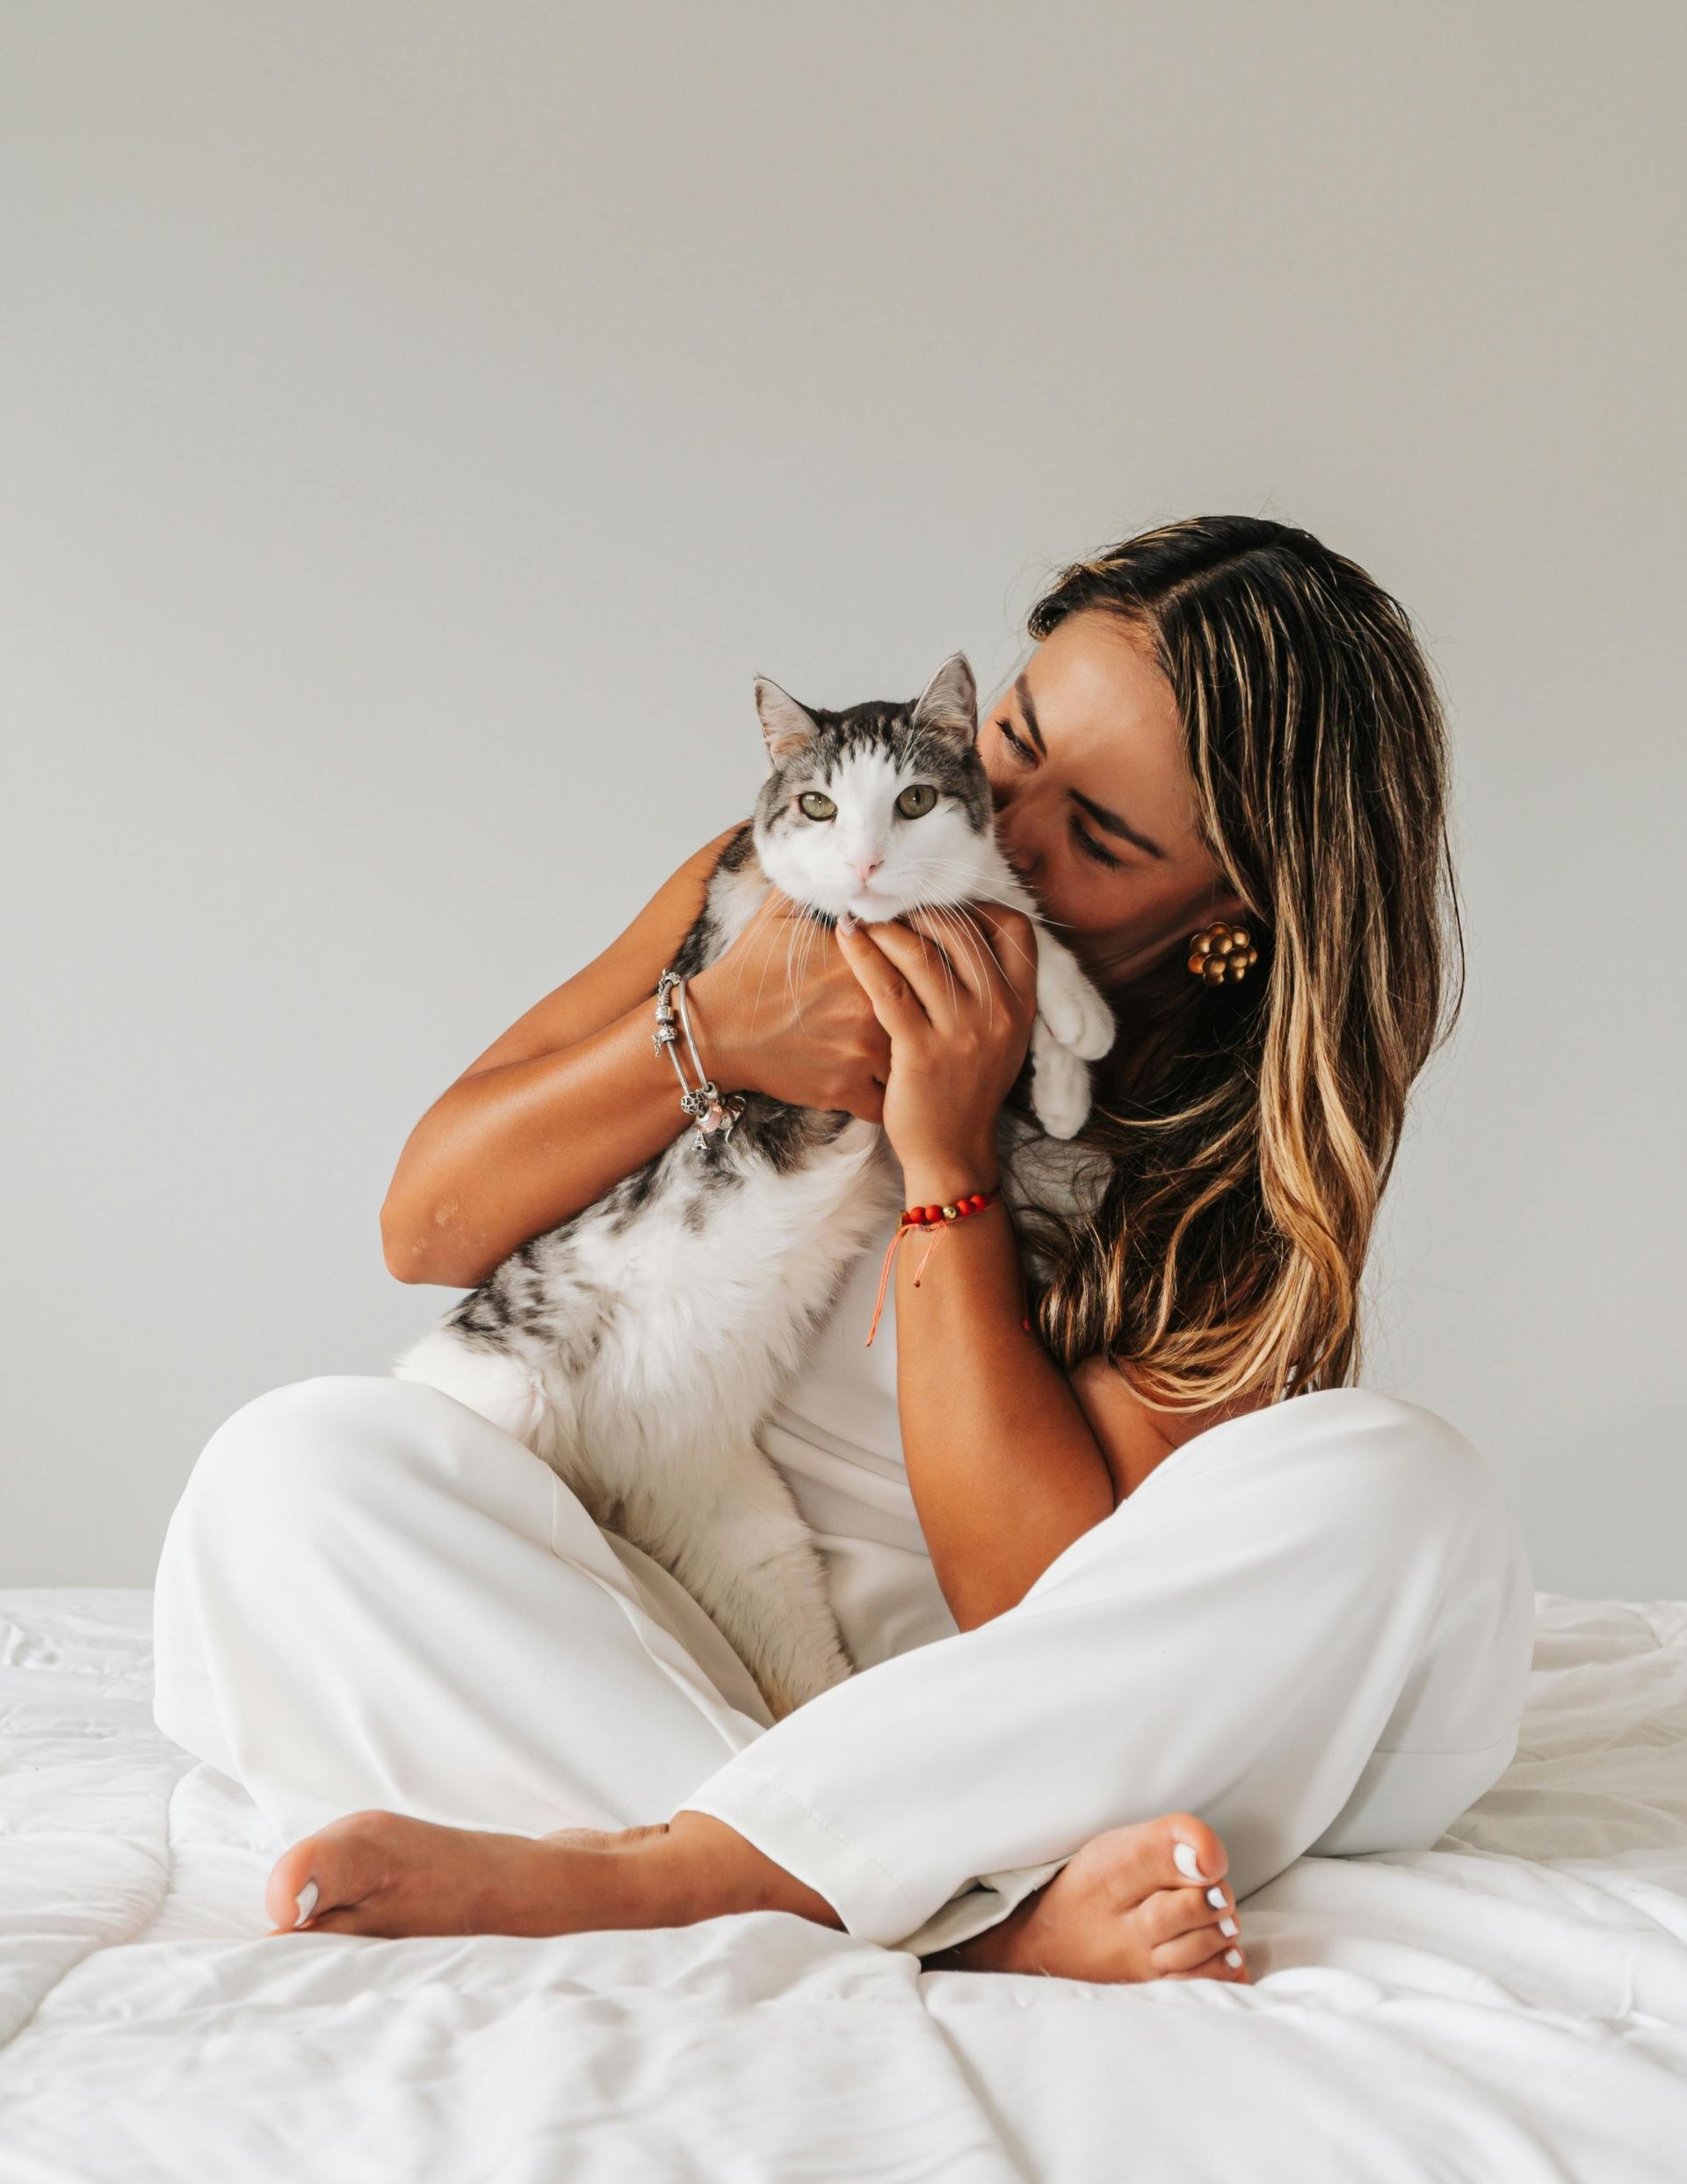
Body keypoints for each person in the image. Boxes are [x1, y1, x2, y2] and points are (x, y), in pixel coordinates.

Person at [151, 515, 1534, 1983]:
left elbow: (1040, 1604)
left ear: (1231, 908)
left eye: (1100, 837)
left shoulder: (1223, 1143)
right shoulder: (795, 873)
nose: (999, 822)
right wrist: (717, 1029)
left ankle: (696, 1875)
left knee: (1407, 1491)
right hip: (675, 1652)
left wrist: (950, 1158)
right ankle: (954, 1918)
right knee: (288, 1469)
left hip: (1000, 1734)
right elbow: (426, 1225)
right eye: (1009, 741)